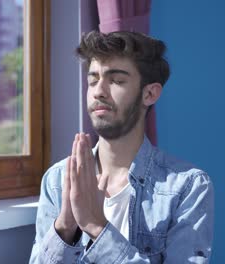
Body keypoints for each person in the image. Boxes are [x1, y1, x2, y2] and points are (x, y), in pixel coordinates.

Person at [29, 31, 214, 263]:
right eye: (93, 80)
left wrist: (97, 227)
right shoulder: (57, 180)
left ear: (149, 93)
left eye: (116, 80)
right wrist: (66, 226)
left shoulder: (188, 187)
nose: (98, 91)